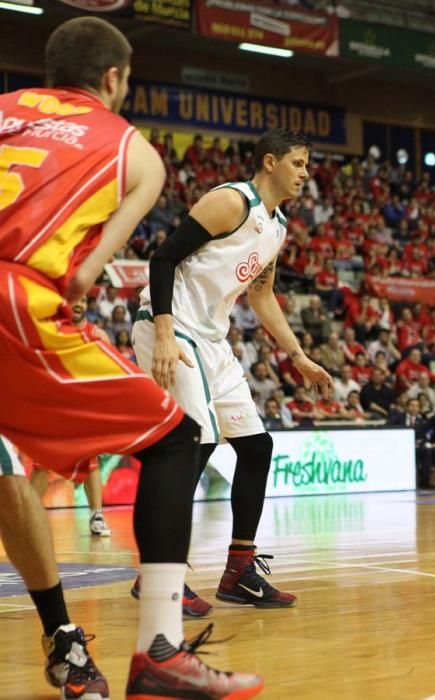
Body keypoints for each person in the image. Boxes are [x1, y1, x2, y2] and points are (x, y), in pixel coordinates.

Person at [0, 16, 261, 698]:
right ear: (113, 79)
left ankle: (64, 643)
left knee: (10, 476)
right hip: (16, 304)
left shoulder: (1, 111)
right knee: (176, 438)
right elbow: (87, 277)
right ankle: (158, 651)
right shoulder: (135, 152)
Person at [132, 127, 333, 613]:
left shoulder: (277, 226)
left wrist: (298, 355)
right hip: (170, 326)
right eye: (298, 163)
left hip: (211, 339)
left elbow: (262, 298)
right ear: (270, 162)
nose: (306, 173)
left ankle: (239, 571)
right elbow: (163, 258)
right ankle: (160, 576)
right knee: (191, 447)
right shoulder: (230, 202)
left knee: (257, 447)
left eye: (308, 165)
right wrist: (162, 332)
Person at [29, 299, 112, 536]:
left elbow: (109, 375)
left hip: (85, 407)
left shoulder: (98, 335)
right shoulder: (51, 332)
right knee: (42, 463)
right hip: (54, 405)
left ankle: (97, 516)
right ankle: (29, 517)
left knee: (91, 463)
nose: (78, 304)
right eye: (74, 300)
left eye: (83, 300)